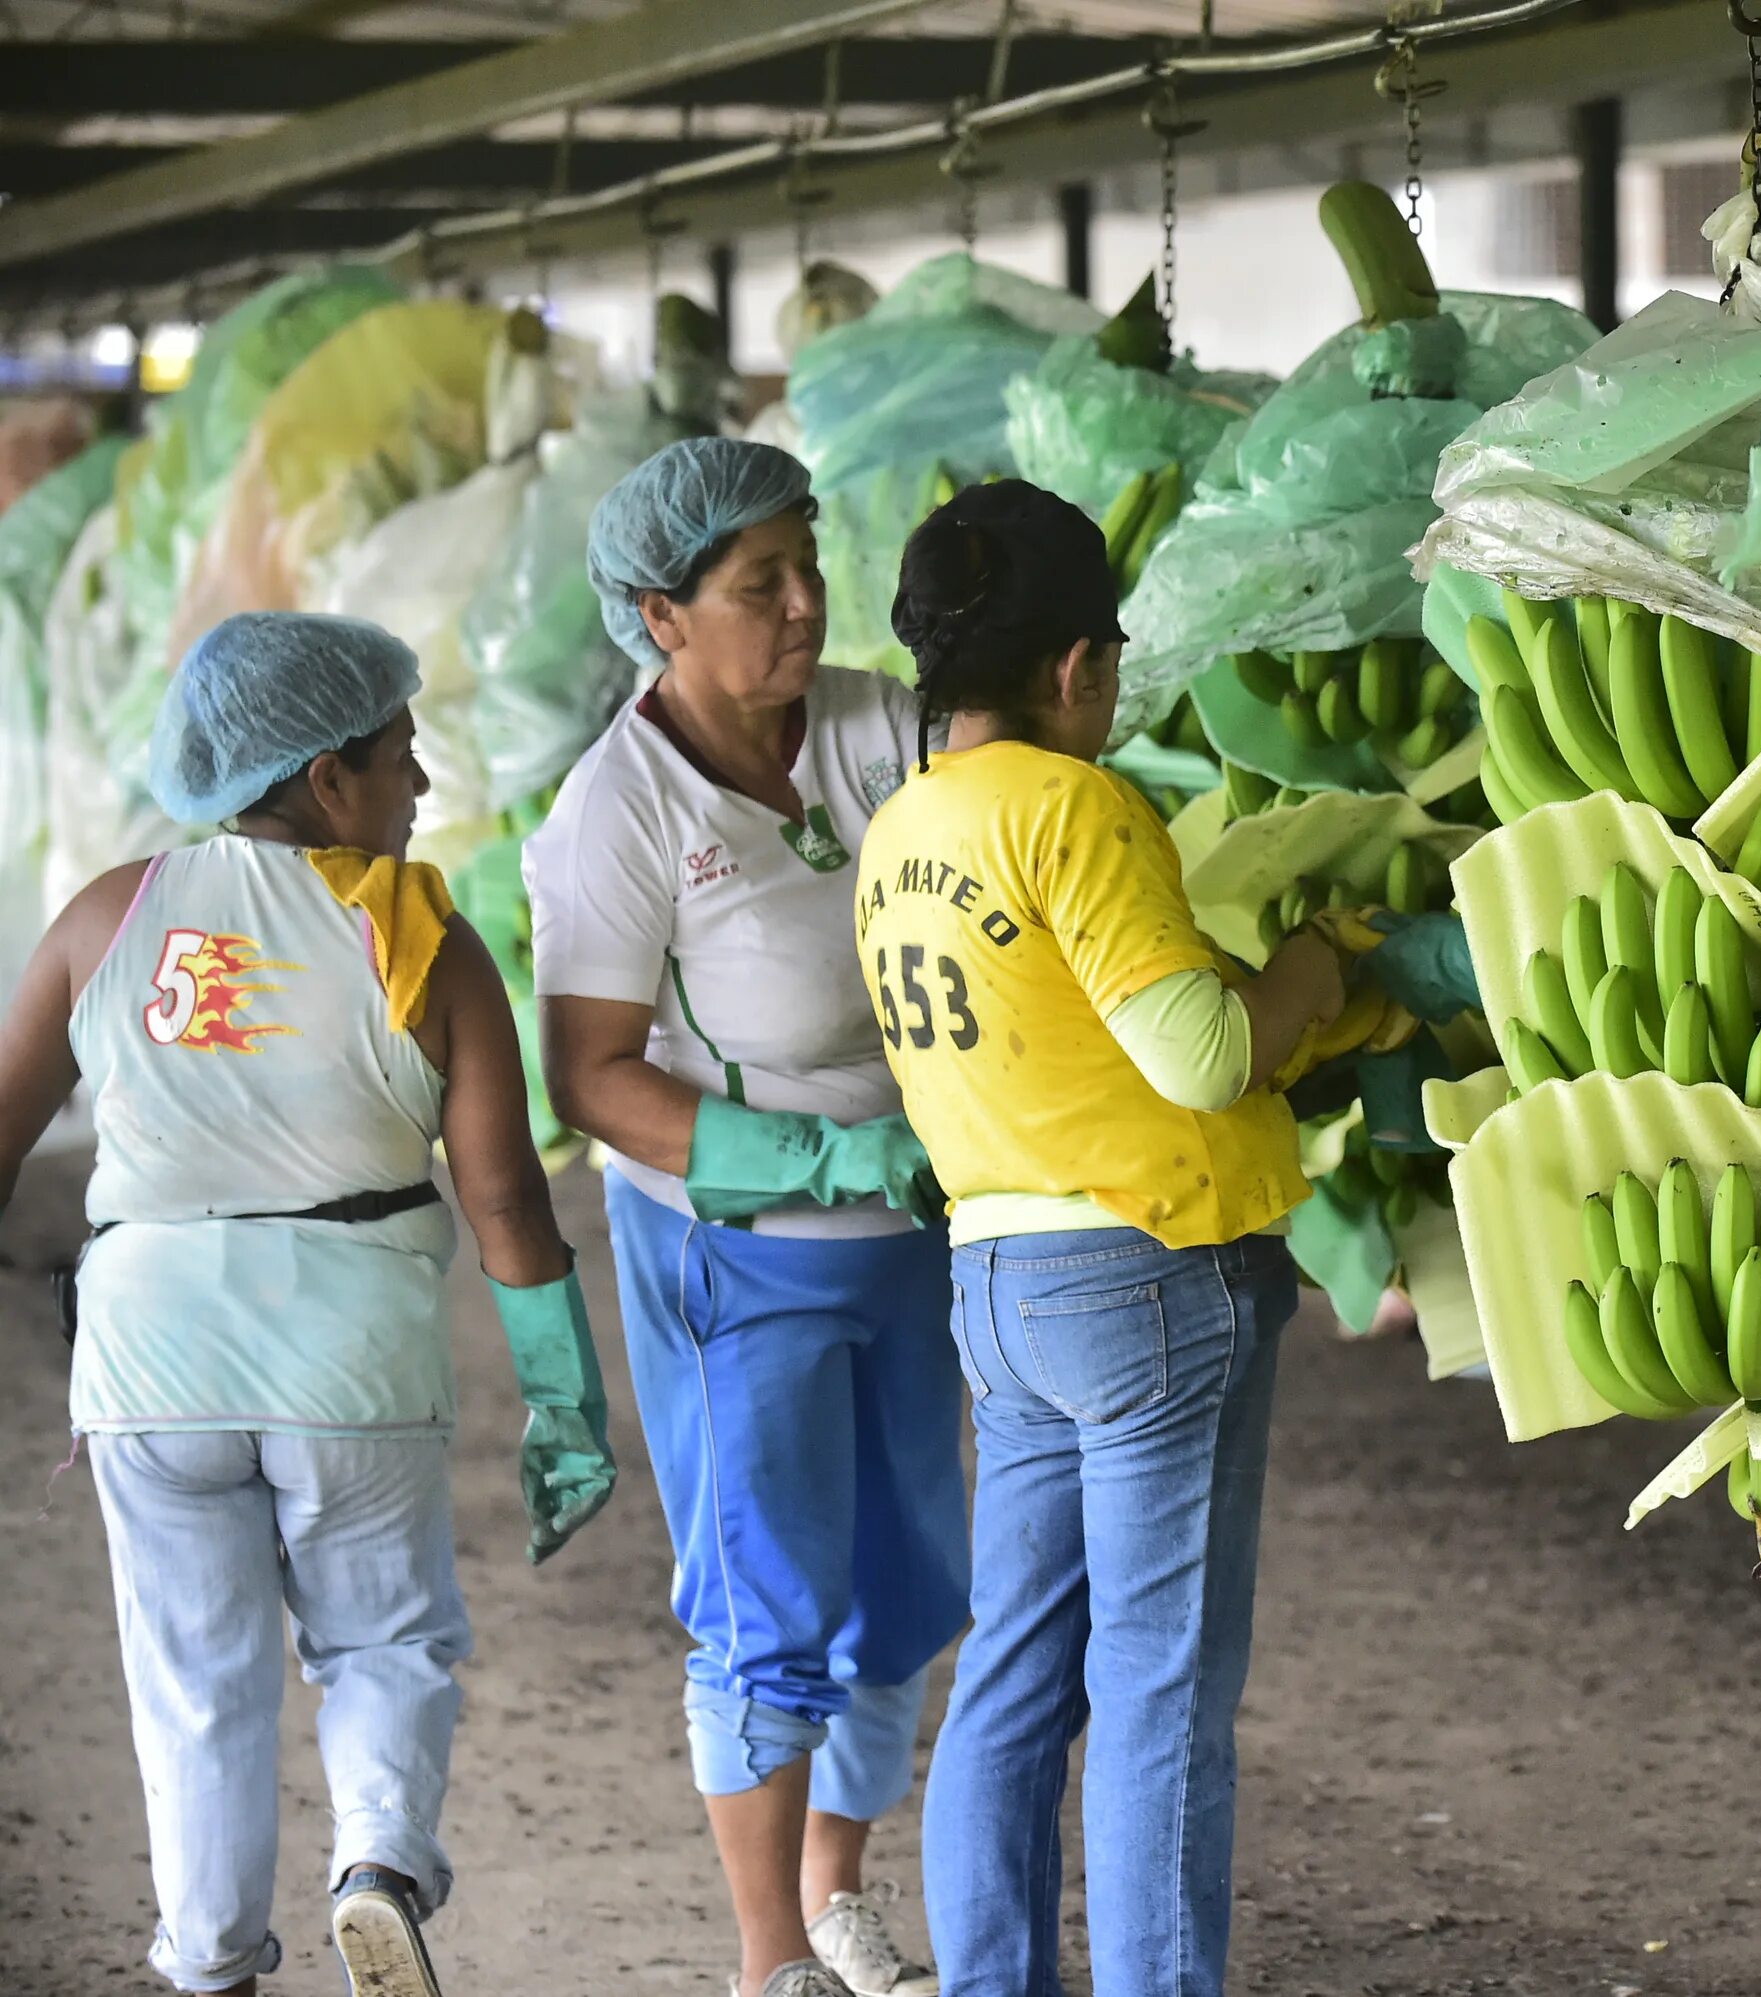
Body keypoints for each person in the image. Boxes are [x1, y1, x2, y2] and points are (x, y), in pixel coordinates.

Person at [0, 611, 616, 1997]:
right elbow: (510, 1202)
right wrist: (564, 1400)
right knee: (383, 1636)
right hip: (352, 1354)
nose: (422, 786)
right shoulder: (421, 940)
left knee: (196, 1680)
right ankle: (381, 1865)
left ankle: (211, 1956)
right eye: (402, 755)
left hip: (151, 1356)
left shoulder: (110, 915)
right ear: (326, 776)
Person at [858, 479, 1353, 1997]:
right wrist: (1318, 976)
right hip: (1143, 1276)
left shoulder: (897, 828)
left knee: (1012, 1673)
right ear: (1075, 668)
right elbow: (1201, 1052)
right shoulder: (1077, 808)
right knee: (1157, 1690)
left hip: (998, 1280)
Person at [525, 437, 966, 1997]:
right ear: (660, 614)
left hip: (913, 1233)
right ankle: (767, 1956)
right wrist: (818, 1160)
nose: (802, 603)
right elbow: (589, 1075)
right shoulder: (619, 811)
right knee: (767, 1597)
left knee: (909, 1580)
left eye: (807, 563)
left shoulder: (871, 722)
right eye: (755, 582)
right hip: (741, 1249)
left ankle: (839, 1891)